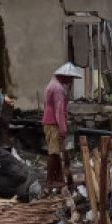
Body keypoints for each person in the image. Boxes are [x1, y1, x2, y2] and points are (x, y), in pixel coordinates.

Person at [41, 62, 82, 193]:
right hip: (54, 123)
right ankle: (50, 181)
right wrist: (63, 128)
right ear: (64, 76)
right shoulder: (58, 88)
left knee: (57, 151)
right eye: (70, 78)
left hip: (49, 121)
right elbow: (59, 111)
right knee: (53, 152)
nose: (71, 81)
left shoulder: (51, 84)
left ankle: (58, 179)